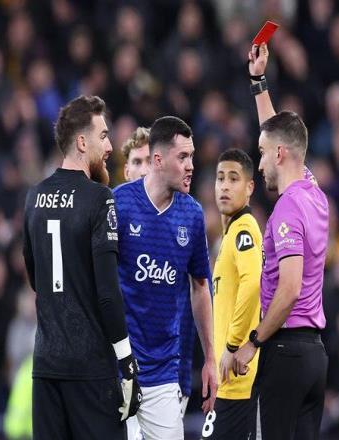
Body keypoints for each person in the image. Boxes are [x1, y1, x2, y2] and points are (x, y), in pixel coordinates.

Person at [22, 95, 141, 440]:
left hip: (46, 366)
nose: (110, 147)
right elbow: (108, 294)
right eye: (103, 136)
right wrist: (127, 362)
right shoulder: (99, 198)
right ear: (82, 142)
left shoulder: (34, 197)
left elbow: (35, 279)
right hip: (90, 370)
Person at [232, 42, 329, 439]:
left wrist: (253, 342)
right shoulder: (314, 191)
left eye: (261, 154)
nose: (258, 163)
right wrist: (258, 82)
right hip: (314, 357)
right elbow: (278, 133)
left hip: (284, 351)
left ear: (279, 155)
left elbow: (289, 289)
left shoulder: (288, 207)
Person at [114, 115, 217, 440]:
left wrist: (210, 358)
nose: (190, 166)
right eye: (182, 157)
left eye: (192, 156)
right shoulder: (119, 204)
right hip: (118, 366)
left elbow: (200, 287)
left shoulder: (192, 214)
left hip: (164, 370)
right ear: (158, 160)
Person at [201, 148, 263, 440]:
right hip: (230, 380)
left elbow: (253, 283)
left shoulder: (243, 230)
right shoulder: (231, 234)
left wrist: (233, 344)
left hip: (238, 378)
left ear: (249, 187)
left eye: (234, 179)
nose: (225, 186)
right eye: (220, 178)